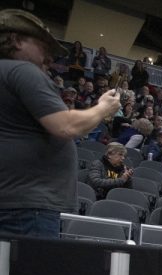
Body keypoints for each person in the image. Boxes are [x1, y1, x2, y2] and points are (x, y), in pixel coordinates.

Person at [0, 9, 121, 238]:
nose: (49, 57)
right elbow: (66, 126)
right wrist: (103, 108)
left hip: (14, 203)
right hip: (27, 207)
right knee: (30, 274)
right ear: (15, 40)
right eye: (42, 47)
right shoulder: (22, 70)